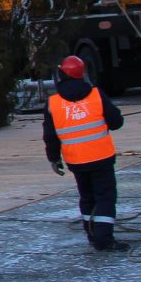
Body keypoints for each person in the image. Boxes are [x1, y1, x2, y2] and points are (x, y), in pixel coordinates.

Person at [42, 55, 129, 251]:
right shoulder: (96, 95)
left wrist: (54, 159)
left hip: (76, 161)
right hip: (102, 157)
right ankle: (104, 238)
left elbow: (50, 136)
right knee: (105, 197)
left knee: (87, 196)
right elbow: (116, 122)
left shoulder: (53, 103)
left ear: (61, 74)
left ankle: (92, 233)